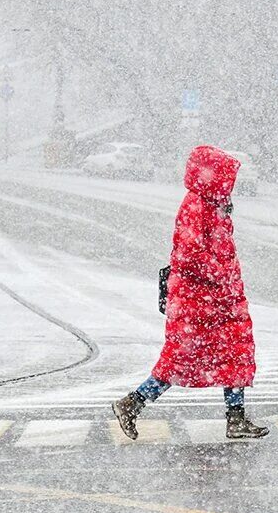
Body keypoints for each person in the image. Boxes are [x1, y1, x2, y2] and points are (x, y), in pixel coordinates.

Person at [114, 145, 268, 440]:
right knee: (182, 358)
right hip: (198, 300)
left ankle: (235, 419)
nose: (229, 184)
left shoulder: (215, 204)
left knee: (235, 352)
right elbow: (188, 254)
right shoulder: (196, 205)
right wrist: (221, 275)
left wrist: (226, 281)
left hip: (220, 298)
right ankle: (132, 402)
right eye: (224, 177)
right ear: (210, 177)